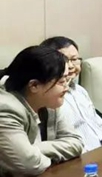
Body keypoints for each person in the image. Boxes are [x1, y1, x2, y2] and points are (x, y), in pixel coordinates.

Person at [0, 46, 83, 176]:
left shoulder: (48, 101)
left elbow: (76, 143)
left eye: (67, 80)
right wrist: (32, 155)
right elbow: (28, 164)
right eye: (61, 81)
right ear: (34, 85)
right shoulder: (5, 109)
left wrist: (34, 149)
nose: (66, 87)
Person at [40, 36, 102, 152]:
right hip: (81, 156)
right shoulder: (50, 99)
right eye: (64, 60)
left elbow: (100, 126)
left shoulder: (80, 91)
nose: (71, 66)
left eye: (74, 59)